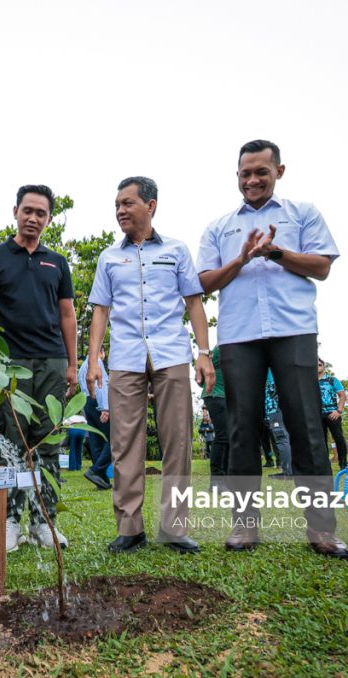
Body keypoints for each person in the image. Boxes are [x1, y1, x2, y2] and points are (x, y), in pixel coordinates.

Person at [197, 139, 348, 559]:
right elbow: (204, 283)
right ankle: (245, 527)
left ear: (278, 172)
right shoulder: (220, 227)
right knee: (242, 428)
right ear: (237, 177)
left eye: (261, 172)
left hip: (293, 330)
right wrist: (243, 258)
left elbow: (321, 266)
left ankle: (321, 531)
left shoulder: (303, 213)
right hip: (239, 335)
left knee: (305, 426)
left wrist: (276, 252)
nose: (253, 180)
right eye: (246, 173)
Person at [87, 176, 215, 555]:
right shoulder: (109, 257)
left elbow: (194, 304)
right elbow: (100, 311)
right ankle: (130, 528)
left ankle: (175, 528)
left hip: (172, 354)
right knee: (125, 444)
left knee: (177, 441)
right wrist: (93, 361)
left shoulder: (176, 251)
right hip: (125, 358)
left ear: (151, 205)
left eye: (128, 203)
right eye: (117, 205)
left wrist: (203, 353)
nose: (120, 210)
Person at [0, 184, 77, 552]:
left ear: (49, 218)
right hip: (8, 365)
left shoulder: (57, 262)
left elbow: (67, 314)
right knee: (11, 444)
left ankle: (44, 522)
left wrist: (72, 364)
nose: (33, 218)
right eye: (27, 211)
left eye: (41, 213)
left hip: (51, 360)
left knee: (48, 442)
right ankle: (11, 521)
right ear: (15, 211)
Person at [80, 348, 113, 490]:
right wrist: (105, 407)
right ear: (101, 351)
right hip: (97, 400)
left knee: (96, 440)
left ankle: (102, 479)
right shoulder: (96, 361)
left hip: (87, 402)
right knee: (115, 438)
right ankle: (96, 471)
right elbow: (101, 385)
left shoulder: (82, 366)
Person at [201, 346, 230, 487]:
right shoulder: (221, 347)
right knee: (223, 436)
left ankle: (226, 477)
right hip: (215, 395)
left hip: (223, 396)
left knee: (229, 437)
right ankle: (217, 481)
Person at [317, 359, 348, 469]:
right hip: (317, 415)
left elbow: (343, 396)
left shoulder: (332, 380)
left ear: (324, 367)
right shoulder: (309, 382)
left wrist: (338, 411)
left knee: (338, 438)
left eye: (320, 364)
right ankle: (324, 466)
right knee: (321, 440)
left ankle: (343, 464)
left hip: (332, 414)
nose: (317, 366)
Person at [264, 369, 293, 476]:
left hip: (275, 409)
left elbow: (274, 388)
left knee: (281, 438)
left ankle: (288, 472)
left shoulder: (270, 370)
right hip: (273, 411)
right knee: (283, 439)